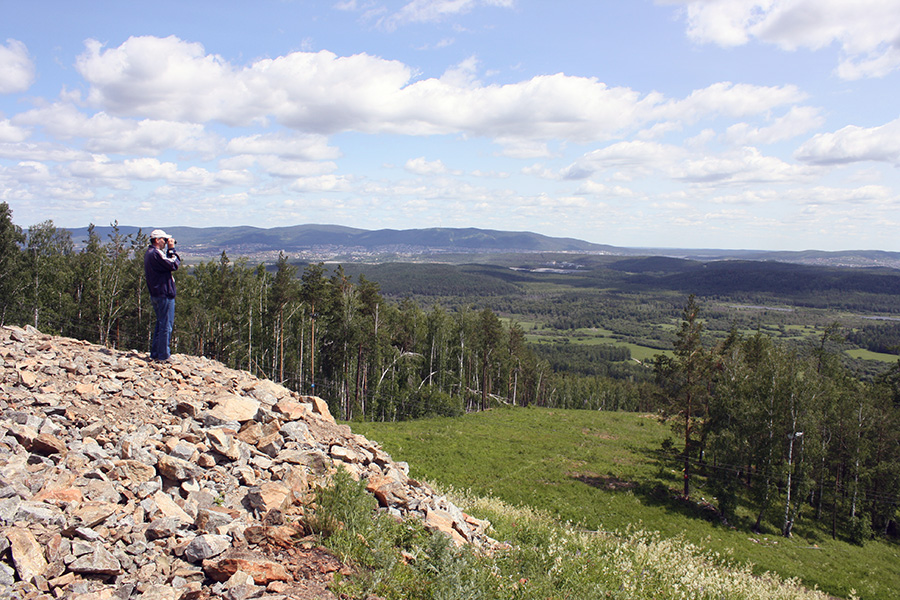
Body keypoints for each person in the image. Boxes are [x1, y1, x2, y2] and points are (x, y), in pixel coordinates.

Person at [144, 228, 181, 361]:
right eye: (164, 240)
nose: (166, 242)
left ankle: (156, 353)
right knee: (166, 325)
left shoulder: (150, 253)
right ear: (157, 240)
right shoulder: (155, 254)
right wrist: (172, 249)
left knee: (161, 324)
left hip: (157, 293)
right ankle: (164, 355)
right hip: (163, 294)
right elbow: (174, 264)